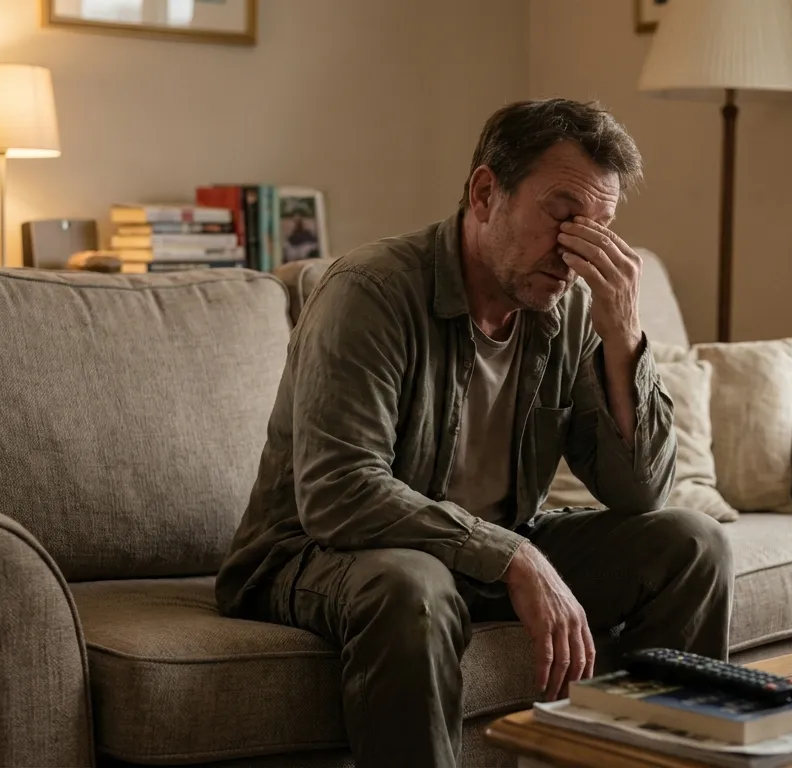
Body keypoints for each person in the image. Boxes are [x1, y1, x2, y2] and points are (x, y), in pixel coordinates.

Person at [216, 98, 733, 768]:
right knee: (411, 586)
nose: (580, 249)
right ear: (486, 192)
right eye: (563, 214)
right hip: (317, 553)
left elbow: (640, 492)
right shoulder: (370, 291)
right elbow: (339, 492)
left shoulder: (572, 308)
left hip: (474, 548)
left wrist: (623, 335)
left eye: (600, 227)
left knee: (691, 544)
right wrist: (513, 559)